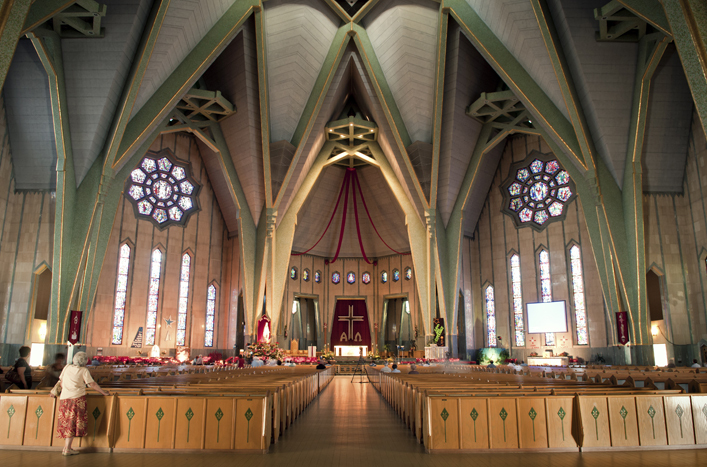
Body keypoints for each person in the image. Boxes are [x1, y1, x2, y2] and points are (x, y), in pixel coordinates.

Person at [50, 352, 110, 456]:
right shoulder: (83, 370)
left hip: (64, 399)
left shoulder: (67, 367)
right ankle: (67, 449)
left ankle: (66, 448)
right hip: (76, 399)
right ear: (85, 361)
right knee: (72, 424)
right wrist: (103, 392)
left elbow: (61, 381)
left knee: (67, 422)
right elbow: (92, 384)